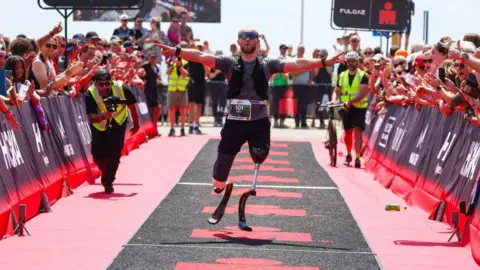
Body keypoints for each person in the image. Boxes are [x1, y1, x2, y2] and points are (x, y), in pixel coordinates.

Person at [154, 27, 342, 192]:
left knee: (259, 155)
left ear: (258, 41)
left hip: (259, 122)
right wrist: (176, 50)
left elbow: (298, 63)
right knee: (218, 180)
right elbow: (200, 56)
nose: (247, 38)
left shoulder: (269, 63)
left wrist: (324, 62)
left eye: (251, 36)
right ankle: (220, 183)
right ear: (238, 41)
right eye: (243, 36)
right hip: (234, 122)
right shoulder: (228, 62)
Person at [85, 70, 140, 193]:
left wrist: (136, 124)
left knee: (114, 153)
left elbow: (132, 106)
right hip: (99, 125)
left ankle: (108, 181)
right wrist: (104, 116)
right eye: (101, 84)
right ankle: (106, 170)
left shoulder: (122, 88)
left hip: (119, 122)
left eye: (107, 83)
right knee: (98, 155)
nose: (105, 87)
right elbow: (91, 118)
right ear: (95, 84)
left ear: (111, 82)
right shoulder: (90, 93)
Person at [329, 51, 369, 168]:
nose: (351, 63)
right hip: (345, 108)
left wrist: (350, 102)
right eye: (349, 61)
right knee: (348, 132)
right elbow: (336, 91)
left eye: (353, 61)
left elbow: (362, 93)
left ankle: (357, 157)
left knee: (358, 131)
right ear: (346, 62)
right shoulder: (342, 75)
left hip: (359, 107)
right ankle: (348, 154)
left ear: (357, 62)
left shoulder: (363, 75)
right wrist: (334, 100)